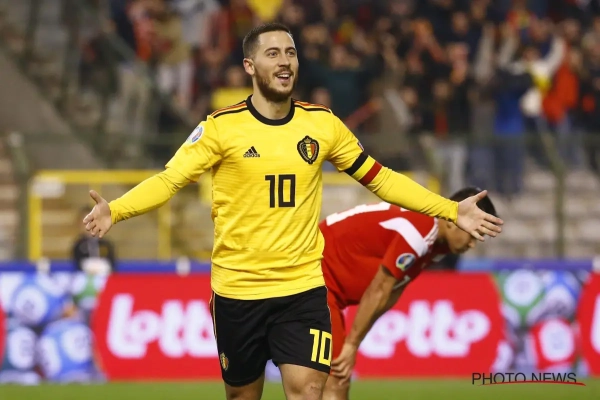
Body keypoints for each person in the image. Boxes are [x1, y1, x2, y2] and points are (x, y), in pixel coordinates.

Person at [82, 23, 503, 400]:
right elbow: (169, 180)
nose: (285, 61)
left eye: (291, 53)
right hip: (238, 291)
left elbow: (381, 178)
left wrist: (451, 209)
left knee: (308, 392)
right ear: (250, 66)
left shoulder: (322, 125)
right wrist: (115, 210)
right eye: (273, 53)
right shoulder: (220, 128)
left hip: (303, 288)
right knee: (242, 396)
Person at [319, 187, 498, 400]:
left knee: (323, 378)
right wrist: (351, 344)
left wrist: (354, 341)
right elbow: (380, 288)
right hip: (317, 279)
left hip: (326, 287)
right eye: (472, 233)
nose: (472, 244)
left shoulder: (437, 245)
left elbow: (393, 290)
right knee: (336, 378)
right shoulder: (423, 228)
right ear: (452, 221)